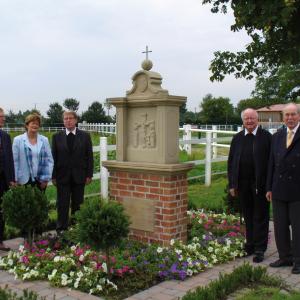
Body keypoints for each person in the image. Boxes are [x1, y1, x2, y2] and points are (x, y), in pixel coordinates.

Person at [228, 108, 271, 263]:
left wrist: (269, 186)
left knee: (260, 215)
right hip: (243, 183)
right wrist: (232, 184)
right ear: (243, 121)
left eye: (252, 118)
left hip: (260, 184)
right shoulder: (237, 138)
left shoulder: (266, 137)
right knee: (248, 215)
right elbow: (231, 162)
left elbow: (271, 164)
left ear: (257, 119)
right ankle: (250, 244)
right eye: (247, 118)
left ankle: (260, 249)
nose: (250, 121)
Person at [266, 103, 300, 274]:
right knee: (280, 226)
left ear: (299, 116)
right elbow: (271, 164)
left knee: (298, 226)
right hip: (279, 188)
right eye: (287, 115)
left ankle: (298, 261)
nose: (290, 118)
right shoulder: (278, 136)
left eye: (293, 114)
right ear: (283, 117)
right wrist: (269, 188)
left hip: (297, 190)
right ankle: (285, 257)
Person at [52, 111, 93, 233]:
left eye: (70, 118)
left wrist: (89, 174)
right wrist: (53, 175)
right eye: (65, 118)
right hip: (62, 176)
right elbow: (53, 157)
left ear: (76, 120)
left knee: (78, 204)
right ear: (63, 121)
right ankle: (61, 229)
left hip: (79, 176)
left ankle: (76, 229)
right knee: (62, 204)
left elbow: (89, 157)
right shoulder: (56, 137)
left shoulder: (85, 136)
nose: (68, 120)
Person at [12, 114, 53, 191]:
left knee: (39, 202)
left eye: (37, 124)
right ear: (27, 125)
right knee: (24, 202)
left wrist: (46, 178)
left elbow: (50, 160)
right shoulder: (18, 140)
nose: (35, 125)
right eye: (32, 123)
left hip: (41, 179)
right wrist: (15, 179)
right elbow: (15, 161)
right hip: (23, 180)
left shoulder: (44, 140)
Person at [0, 108, 15, 251]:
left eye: (3, 116)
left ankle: (0, 240)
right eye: (1, 117)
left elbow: (10, 159)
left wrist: (11, 179)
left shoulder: (5, 136)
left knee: (1, 211)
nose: (3, 119)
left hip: (3, 181)